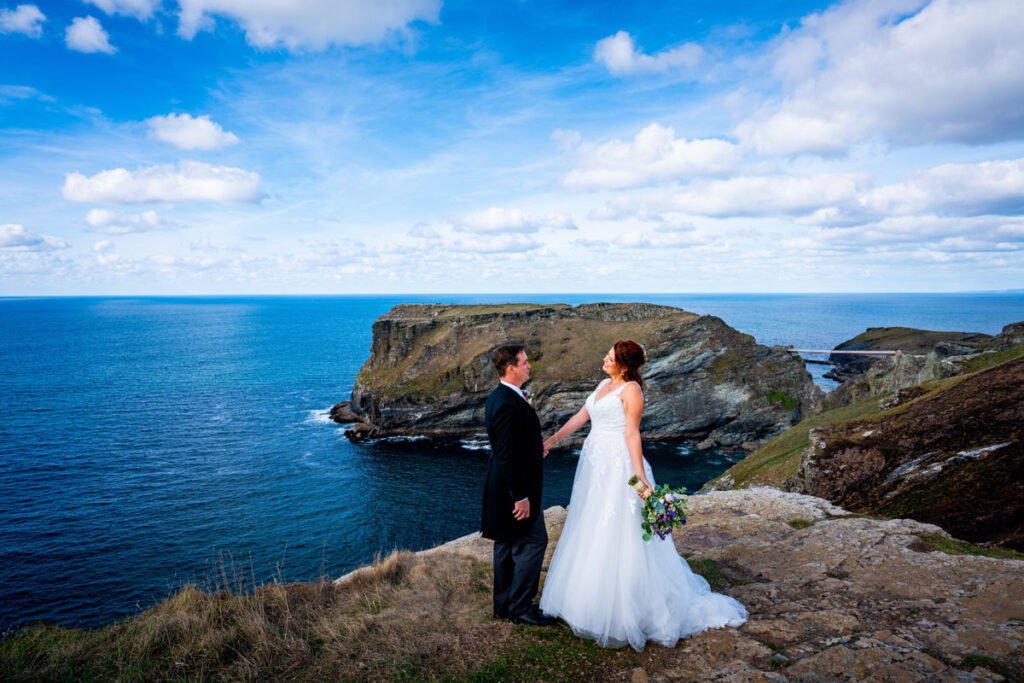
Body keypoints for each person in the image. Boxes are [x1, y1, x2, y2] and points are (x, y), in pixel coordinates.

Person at [539, 340, 747, 650]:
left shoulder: (632, 391)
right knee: (591, 521)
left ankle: (625, 607)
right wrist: (553, 440)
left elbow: (632, 433)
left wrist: (640, 478)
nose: (604, 358)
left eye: (609, 357)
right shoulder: (602, 384)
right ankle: (586, 598)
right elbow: (581, 418)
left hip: (620, 466)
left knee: (621, 529)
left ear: (623, 365)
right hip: (595, 465)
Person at [481, 343, 557, 627]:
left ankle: (503, 606)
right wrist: (521, 497)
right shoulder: (505, 402)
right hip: (514, 490)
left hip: (504, 489)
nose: (529, 366)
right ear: (511, 368)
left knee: (505, 543)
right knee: (535, 541)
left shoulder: (502, 396)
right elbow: (506, 454)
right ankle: (521, 607)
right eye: (524, 362)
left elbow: (512, 444)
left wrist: (534, 448)